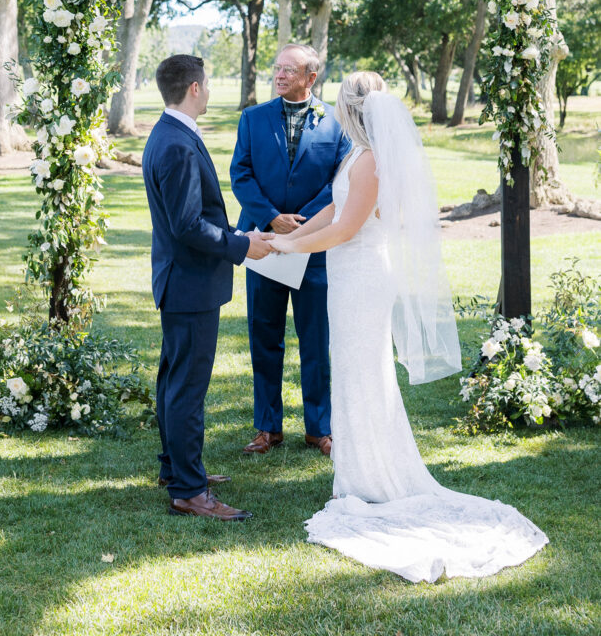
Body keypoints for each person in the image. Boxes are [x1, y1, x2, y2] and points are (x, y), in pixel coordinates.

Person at [268, 71, 548, 582]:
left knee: (364, 372)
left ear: (351, 110)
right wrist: (286, 234)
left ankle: (373, 479)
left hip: (364, 277)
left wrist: (288, 248)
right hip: (347, 275)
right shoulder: (358, 154)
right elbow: (333, 207)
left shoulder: (373, 159)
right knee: (353, 372)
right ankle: (356, 472)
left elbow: (350, 227)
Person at [143, 54, 271, 520]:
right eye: (209, 82)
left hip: (184, 281)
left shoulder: (170, 132)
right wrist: (241, 244)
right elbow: (187, 226)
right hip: (189, 283)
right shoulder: (176, 143)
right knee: (186, 389)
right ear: (194, 88)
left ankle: (174, 469)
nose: (211, 90)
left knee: (174, 381)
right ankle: (189, 491)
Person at [230, 43, 350, 457]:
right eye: (276, 69)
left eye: (288, 70)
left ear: (310, 77)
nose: (279, 75)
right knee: (264, 337)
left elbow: (340, 181)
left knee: (316, 340)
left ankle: (319, 428)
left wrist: (302, 224)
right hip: (263, 244)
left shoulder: (337, 122)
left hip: (315, 246)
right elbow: (240, 173)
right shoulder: (253, 118)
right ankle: (268, 427)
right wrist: (270, 218)